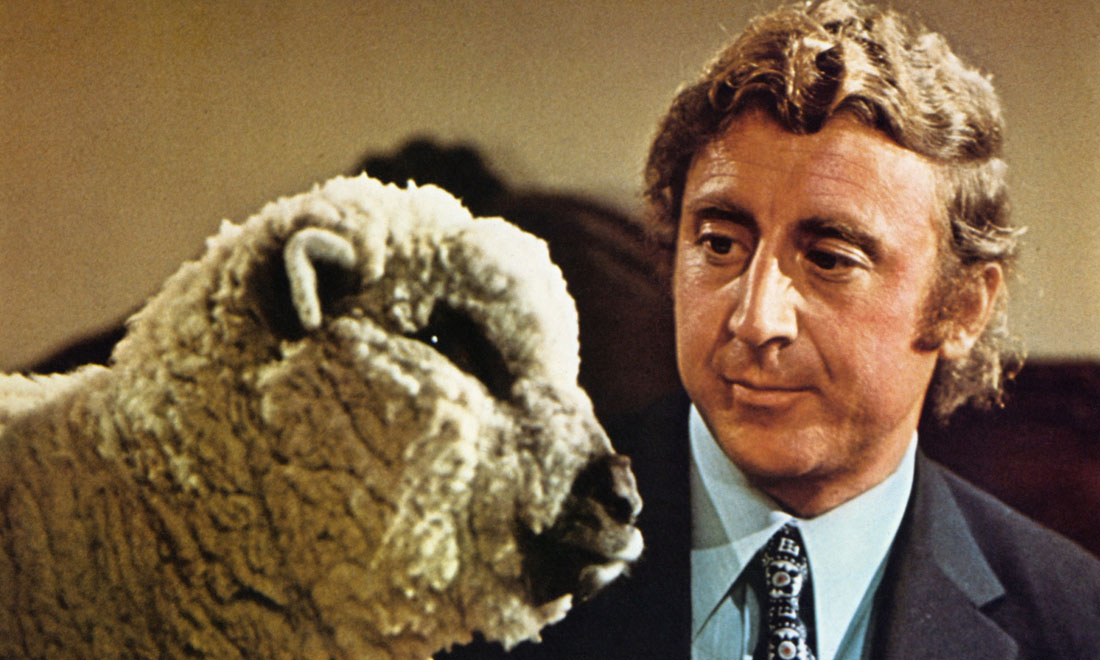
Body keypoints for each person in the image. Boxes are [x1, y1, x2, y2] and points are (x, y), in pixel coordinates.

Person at [440, 1, 1100, 658]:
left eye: (831, 260)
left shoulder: (1073, 621)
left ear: (962, 306)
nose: (756, 320)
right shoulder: (478, 561)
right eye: (720, 245)